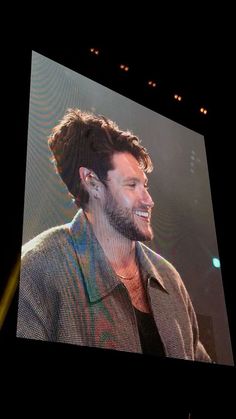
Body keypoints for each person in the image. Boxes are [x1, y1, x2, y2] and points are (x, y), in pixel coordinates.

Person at [17, 108, 211, 362]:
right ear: (93, 183)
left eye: (145, 185)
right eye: (132, 185)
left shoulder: (169, 278)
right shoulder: (35, 270)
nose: (149, 201)